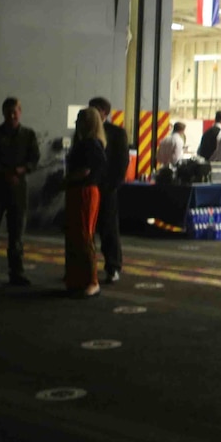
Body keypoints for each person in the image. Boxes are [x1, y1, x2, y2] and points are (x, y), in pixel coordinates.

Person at [0, 96, 39, 288]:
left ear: (20, 112)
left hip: (17, 189)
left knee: (17, 233)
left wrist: (22, 169)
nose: (12, 115)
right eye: (9, 112)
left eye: (15, 111)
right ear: (3, 113)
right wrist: (7, 174)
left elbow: (34, 159)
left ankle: (16, 272)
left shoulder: (28, 135)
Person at [62, 106, 107, 297]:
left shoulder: (90, 145)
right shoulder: (90, 143)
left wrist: (65, 180)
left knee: (84, 235)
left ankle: (91, 280)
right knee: (75, 236)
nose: (76, 124)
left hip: (84, 191)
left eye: (79, 120)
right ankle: (77, 278)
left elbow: (85, 170)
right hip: (80, 190)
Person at [88, 97, 129, 282]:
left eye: (96, 109)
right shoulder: (84, 132)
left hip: (106, 189)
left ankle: (113, 266)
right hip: (87, 188)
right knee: (84, 230)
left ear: (105, 112)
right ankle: (82, 267)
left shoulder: (116, 133)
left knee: (109, 229)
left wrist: (112, 185)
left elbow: (121, 162)